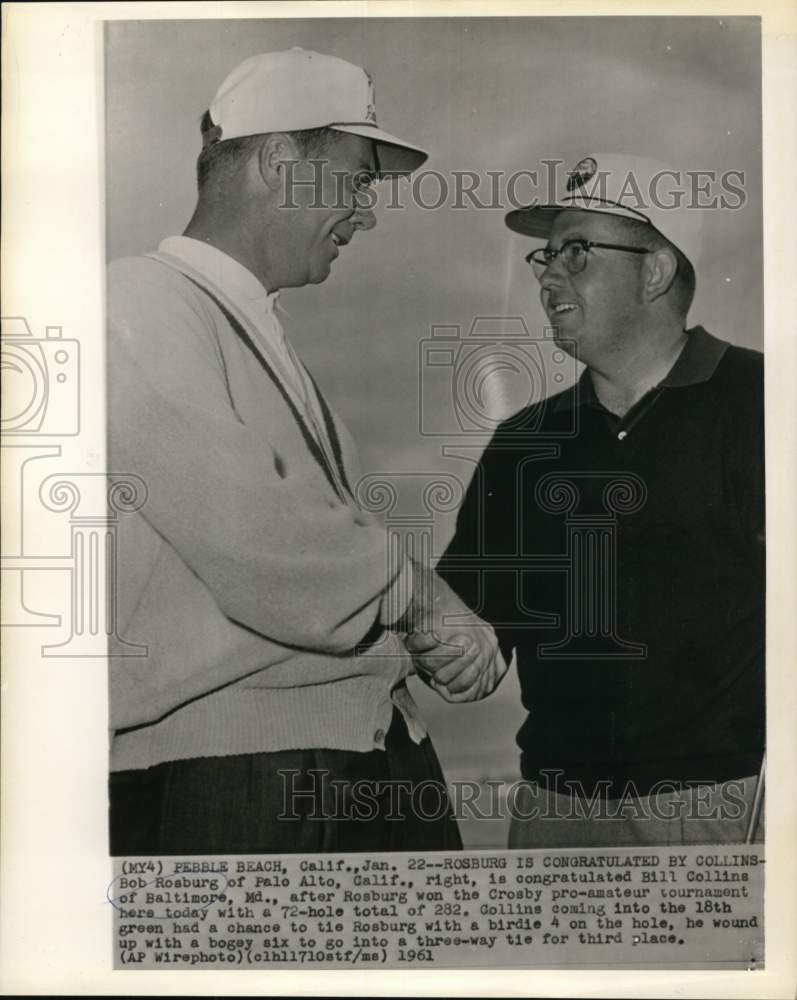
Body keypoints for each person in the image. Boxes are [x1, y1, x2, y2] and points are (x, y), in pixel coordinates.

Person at [107, 48, 506, 855]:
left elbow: (313, 564)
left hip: (358, 754)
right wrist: (424, 602)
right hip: (240, 770)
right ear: (279, 160)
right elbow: (255, 535)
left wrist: (412, 637)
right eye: (358, 180)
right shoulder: (135, 300)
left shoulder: (248, 327)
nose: (365, 216)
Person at [437, 154, 764, 847]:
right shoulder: (522, 441)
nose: (549, 275)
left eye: (577, 252)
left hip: (725, 810)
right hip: (553, 811)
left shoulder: (766, 406)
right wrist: (453, 649)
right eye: (546, 256)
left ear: (654, 271)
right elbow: (473, 622)